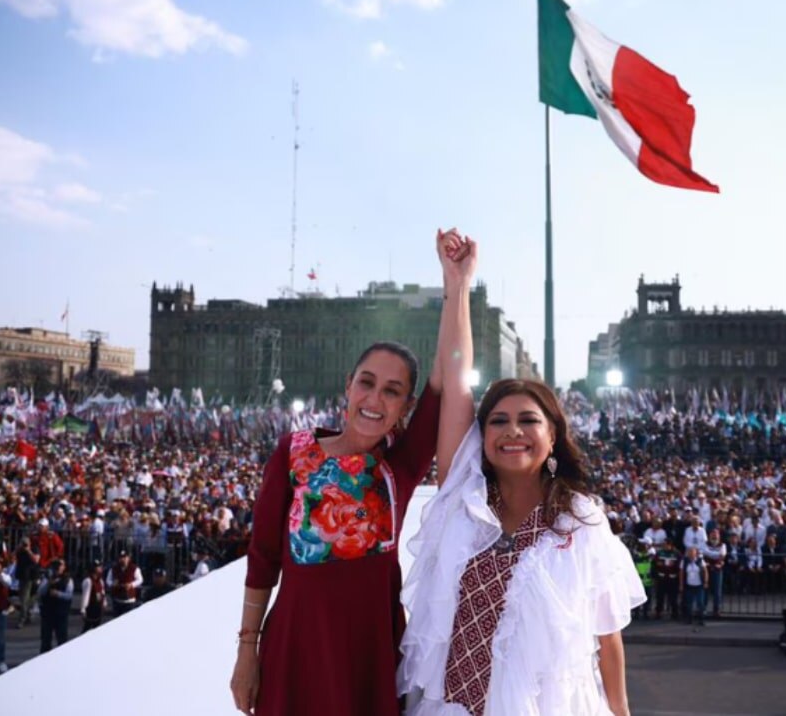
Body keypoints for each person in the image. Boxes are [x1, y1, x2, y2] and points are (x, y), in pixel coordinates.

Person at [399, 233, 642, 716]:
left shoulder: (581, 520)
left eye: (529, 420)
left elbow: (607, 635)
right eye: (498, 420)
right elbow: (455, 371)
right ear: (482, 438)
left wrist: (621, 712)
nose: (513, 432)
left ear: (553, 436)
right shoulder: (463, 499)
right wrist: (458, 285)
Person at [230, 231, 458, 716]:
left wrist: (455, 285)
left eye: (392, 391)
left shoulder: (399, 467)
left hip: (369, 657)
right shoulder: (293, 453)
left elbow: (447, 374)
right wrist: (246, 652)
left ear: (406, 407)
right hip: (294, 650)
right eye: (367, 383)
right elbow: (263, 558)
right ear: (348, 386)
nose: (375, 400)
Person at [38, 558, 75, 653]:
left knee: (62, 639)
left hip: (61, 613)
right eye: (57, 566)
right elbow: (40, 592)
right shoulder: (47, 578)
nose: (59, 568)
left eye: (61, 566)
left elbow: (69, 595)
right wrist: (48, 583)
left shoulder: (67, 580)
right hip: (48, 613)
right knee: (46, 640)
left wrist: (58, 594)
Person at [13, 536, 40, 628]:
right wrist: (19, 548)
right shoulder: (19, 550)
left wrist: (29, 551)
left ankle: (28, 614)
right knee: (23, 598)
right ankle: (22, 618)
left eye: (26, 543)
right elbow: (12, 557)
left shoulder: (34, 549)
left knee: (32, 596)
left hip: (33, 575)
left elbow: (36, 560)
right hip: (24, 577)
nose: (24, 545)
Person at [106, 548, 143, 617]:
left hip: (130, 600)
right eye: (121, 558)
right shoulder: (114, 569)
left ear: (128, 558)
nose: (123, 559)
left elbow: (140, 579)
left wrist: (131, 584)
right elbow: (108, 580)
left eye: (125, 557)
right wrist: (112, 584)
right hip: (117, 600)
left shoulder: (134, 568)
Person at [681, 545, 709, 628]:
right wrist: (681, 584)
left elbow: (705, 571)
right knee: (689, 603)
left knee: (700, 603)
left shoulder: (700, 561)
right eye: (689, 552)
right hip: (689, 585)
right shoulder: (685, 561)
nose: (691, 554)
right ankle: (689, 619)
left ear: (696, 553)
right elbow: (682, 573)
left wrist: (706, 582)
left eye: (692, 552)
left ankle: (701, 619)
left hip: (699, 585)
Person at [79, 560, 108, 633]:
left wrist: (104, 603)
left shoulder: (100, 580)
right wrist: (83, 609)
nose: (101, 568)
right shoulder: (88, 581)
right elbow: (86, 596)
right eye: (98, 567)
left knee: (97, 629)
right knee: (87, 628)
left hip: (98, 608)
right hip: (90, 608)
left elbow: (102, 592)